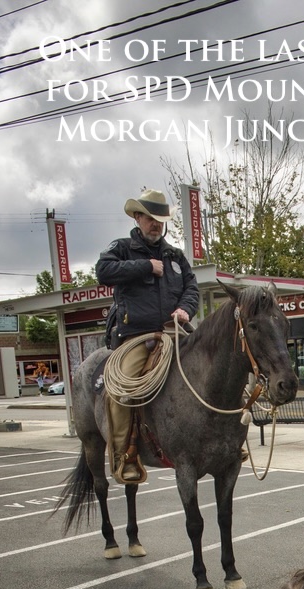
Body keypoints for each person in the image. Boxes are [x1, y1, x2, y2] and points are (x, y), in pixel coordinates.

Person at [95, 189, 200, 483]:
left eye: (160, 220)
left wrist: (185, 309)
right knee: (120, 391)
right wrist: (144, 266)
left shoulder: (175, 256)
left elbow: (191, 287)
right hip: (136, 336)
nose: (156, 225)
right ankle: (124, 456)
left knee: (212, 366)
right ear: (138, 217)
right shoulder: (122, 248)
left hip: (173, 331)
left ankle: (225, 439)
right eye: (151, 219)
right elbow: (102, 271)